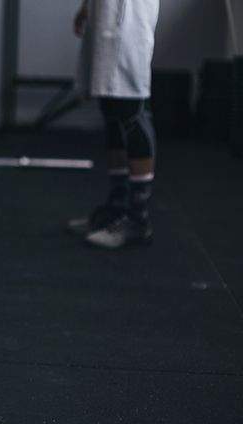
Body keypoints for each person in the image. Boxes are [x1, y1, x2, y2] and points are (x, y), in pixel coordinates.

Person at [67, 0, 160, 249]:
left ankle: (138, 219)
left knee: (131, 108)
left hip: (129, 13)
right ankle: (118, 208)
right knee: (111, 107)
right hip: (104, 10)